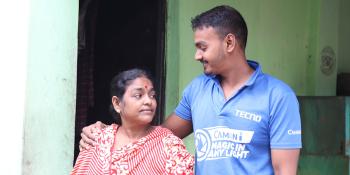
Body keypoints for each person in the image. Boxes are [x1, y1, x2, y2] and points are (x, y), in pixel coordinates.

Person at [80, 5, 302, 175]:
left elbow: (285, 170)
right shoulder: (198, 89)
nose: (197, 56)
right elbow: (156, 138)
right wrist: (106, 133)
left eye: (202, 47)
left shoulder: (278, 97)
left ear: (229, 43)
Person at [72, 68, 194, 175]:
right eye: (138, 95)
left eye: (152, 95)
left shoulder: (168, 144)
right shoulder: (97, 139)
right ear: (117, 103)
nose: (148, 101)